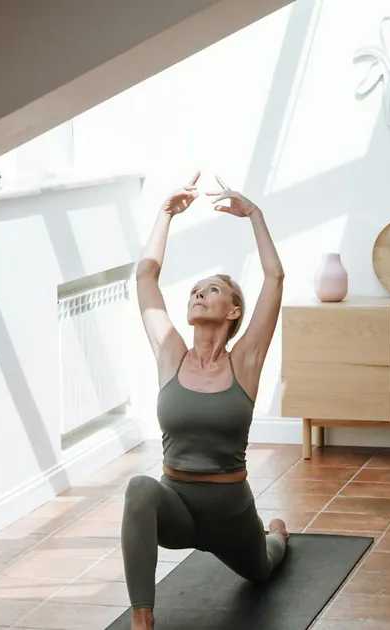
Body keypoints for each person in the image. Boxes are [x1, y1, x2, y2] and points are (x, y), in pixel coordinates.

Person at [122, 170, 288, 630]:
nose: (198, 292)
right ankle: (142, 620)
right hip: (177, 508)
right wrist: (165, 214)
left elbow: (275, 277)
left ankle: (276, 535)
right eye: (196, 289)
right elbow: (145, 275)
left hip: (233, 516)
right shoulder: (170, 354)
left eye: (212, 289)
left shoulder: (246, 360)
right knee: (139, 490)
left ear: (234, 310)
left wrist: (253, 213)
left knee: (266, 567)